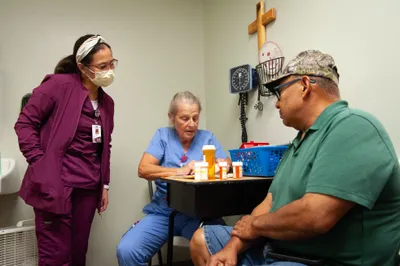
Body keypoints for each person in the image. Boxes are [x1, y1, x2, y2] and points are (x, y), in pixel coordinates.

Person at [189, 50, 400, 266]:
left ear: (305, 85)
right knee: (201, 241)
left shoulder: (354, 127)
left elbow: (315, 216)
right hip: (278, 247)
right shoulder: (299, 141)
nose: (278, 104)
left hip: (321, 259)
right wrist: (232, 247)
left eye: (280, 93)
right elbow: (269, 202)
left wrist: (255, 226)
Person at [14, 34, 116, 266]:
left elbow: (104, 145)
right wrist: (41, 165)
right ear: (82, 67)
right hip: (55, 186)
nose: (109, 70)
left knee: (78, 255)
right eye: (102, 66)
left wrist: (105, 184)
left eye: (112, 63)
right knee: (56, 258)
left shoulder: (107, 103)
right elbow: (25, 124)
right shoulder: (58, 86)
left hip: (88, 188)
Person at [117, 91, 231, 266]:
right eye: (184, 118)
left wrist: (224, 164)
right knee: (127, 251)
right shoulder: (163, 136)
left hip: (199, 213)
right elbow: (144, 169)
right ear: (171, 117)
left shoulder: (208, 138)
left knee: (227, 247)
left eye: (195, 118)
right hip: (164, 212)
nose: (191, 124)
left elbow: (226, 163)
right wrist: (181, 171)